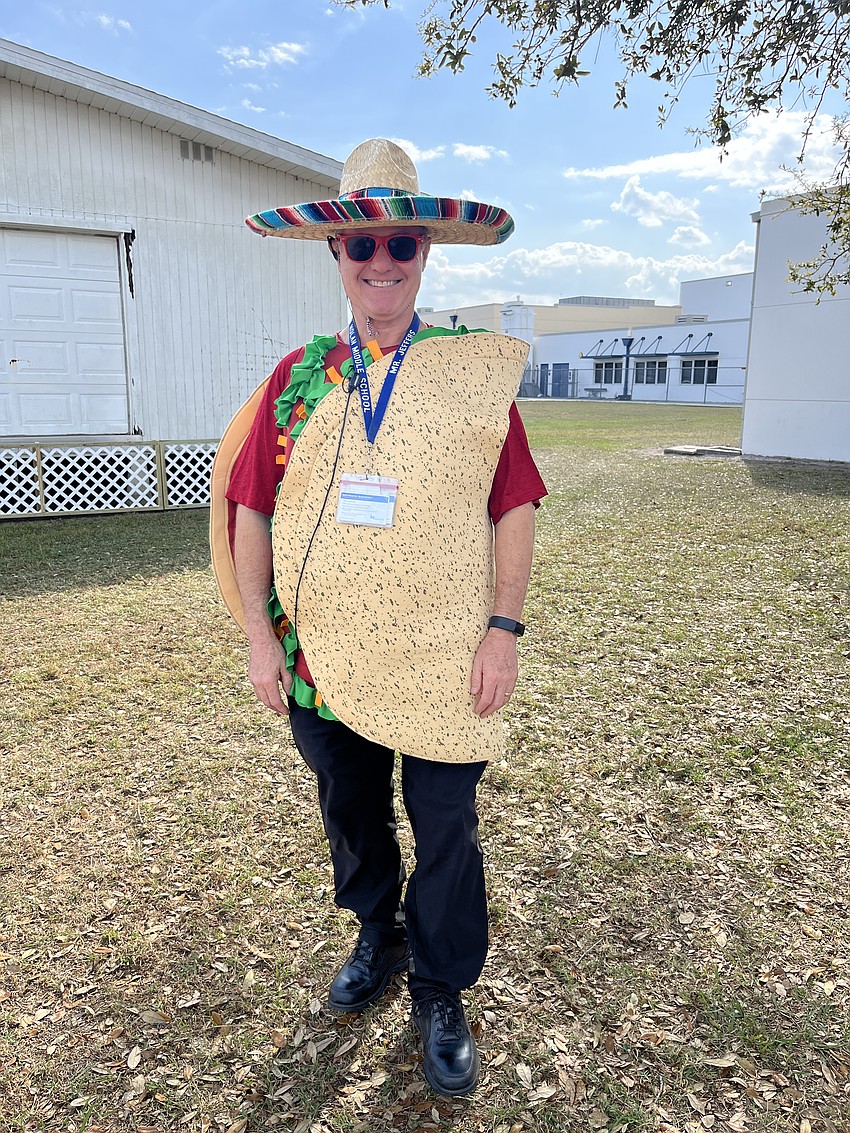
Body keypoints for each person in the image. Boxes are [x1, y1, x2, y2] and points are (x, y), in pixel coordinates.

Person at [221, 139, 546, 1098]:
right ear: (336, 254)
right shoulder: (299, 379)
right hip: (322, 656)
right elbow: (250, 509)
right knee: (353, 810)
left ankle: (441, 986)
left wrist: (502, 629)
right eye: (361, 245)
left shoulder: (467, 374)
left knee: (444, 824)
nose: (381, 262)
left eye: (400, 244)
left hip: (445, 651)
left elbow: (514, 504)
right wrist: (259, 639)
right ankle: (380, 933)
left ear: (424, 253)